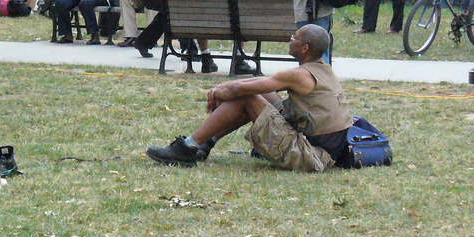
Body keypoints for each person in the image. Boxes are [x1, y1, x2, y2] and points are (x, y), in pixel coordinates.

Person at [145, 24, 352, 171]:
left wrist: (220, 91)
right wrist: (226, 85)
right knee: (256, 92)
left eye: (294, 38)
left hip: (312, 155)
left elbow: (240, 91)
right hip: (325, 148)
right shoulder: (323, 70)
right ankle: (205, 144)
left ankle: (188, 147)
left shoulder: (299, 74)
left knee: (247, 98)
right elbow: (262, 83)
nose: (290, 39)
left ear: (305, 48)